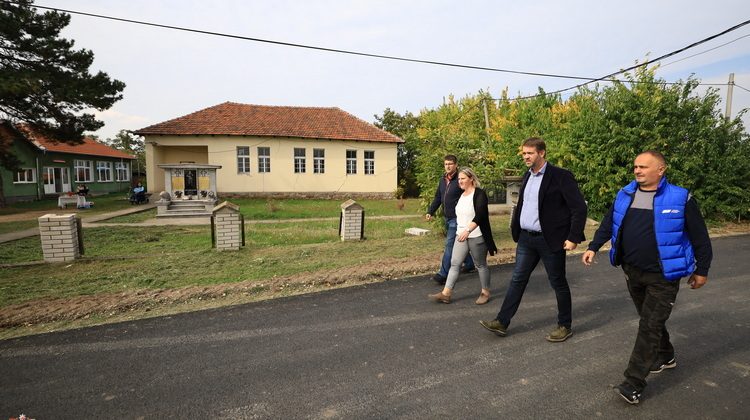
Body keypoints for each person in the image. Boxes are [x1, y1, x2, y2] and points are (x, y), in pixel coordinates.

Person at [581, 150, 712, 405]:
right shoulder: (625, 194)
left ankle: (633, 383)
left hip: (663, 276)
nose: (637, 170)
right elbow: (609, 223)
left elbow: (700, 238)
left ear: (660, 170)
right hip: (632, 271)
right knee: (649, 319)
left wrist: (702, 270)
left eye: (643, 166)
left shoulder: (681, 198)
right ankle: (666, 355)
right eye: (635, 167)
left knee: (649, 325)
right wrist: (593, 246)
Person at [480, 137, 587, 342]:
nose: (525, 157)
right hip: (526, 239)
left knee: (558, 282)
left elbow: (579, 208)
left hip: (550, 240)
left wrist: (573, 237)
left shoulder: (560, 176)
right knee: (517, 279)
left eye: (530, 153)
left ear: (542, 153)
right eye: (524, 153)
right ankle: (502, 321)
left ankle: (564, 326)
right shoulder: (527, 176)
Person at [428, 168, 497, 305]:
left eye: (463, 178)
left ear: (471, 179)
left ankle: (485, 292)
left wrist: (468, 230)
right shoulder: (461, 194)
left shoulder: (479, 194)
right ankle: (446, 294)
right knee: (455, 263)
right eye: (459, 179)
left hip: (476, 235)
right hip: (461, 235)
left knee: (480, 265)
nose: (460, 181)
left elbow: (481, 215)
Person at [426, 154, 475, 284]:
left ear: (456, 165)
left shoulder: (460, 179)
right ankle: (470, 264)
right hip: (447, 217)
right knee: (457, 242)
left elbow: (469, 194)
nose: (448, 166)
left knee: (449, 244)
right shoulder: (443, 180)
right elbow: (438, 197)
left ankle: (443, 274)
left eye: (450, 164)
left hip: (457, 218)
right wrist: (430, 211)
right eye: (446, 164)